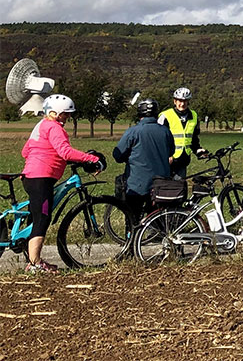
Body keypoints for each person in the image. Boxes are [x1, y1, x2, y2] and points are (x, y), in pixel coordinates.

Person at [20, 95, 102, 273]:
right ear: (54, 113)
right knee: (42, 218)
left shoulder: (41, 125)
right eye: (65, 114)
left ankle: (33, 258)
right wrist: (91, 159)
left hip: (31, 176)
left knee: (36, 215)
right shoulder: (54, 127)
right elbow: (65, 152)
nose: (67, 117)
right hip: (41, 177)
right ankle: (34, 264)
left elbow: (25, 151)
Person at [112, 98, 175, 222]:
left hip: (137, 184)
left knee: (132, 217)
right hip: (160, 183)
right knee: (157, 219)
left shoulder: (133, 131)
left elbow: (118, 156)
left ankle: (132, 237)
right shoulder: (165, 131)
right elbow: (171, 151)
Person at [157, 87, 207, 179]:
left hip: (183, 160)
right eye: (180, 101)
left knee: (179, 189)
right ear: (174, 101)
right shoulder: (166, 116)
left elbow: (193, 138)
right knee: (163, 189)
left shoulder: (194, 116)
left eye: (185, 101)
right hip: (166, 161)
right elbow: (158, 139)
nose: (182, 104)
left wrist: (198, 150)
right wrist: (166, 156)